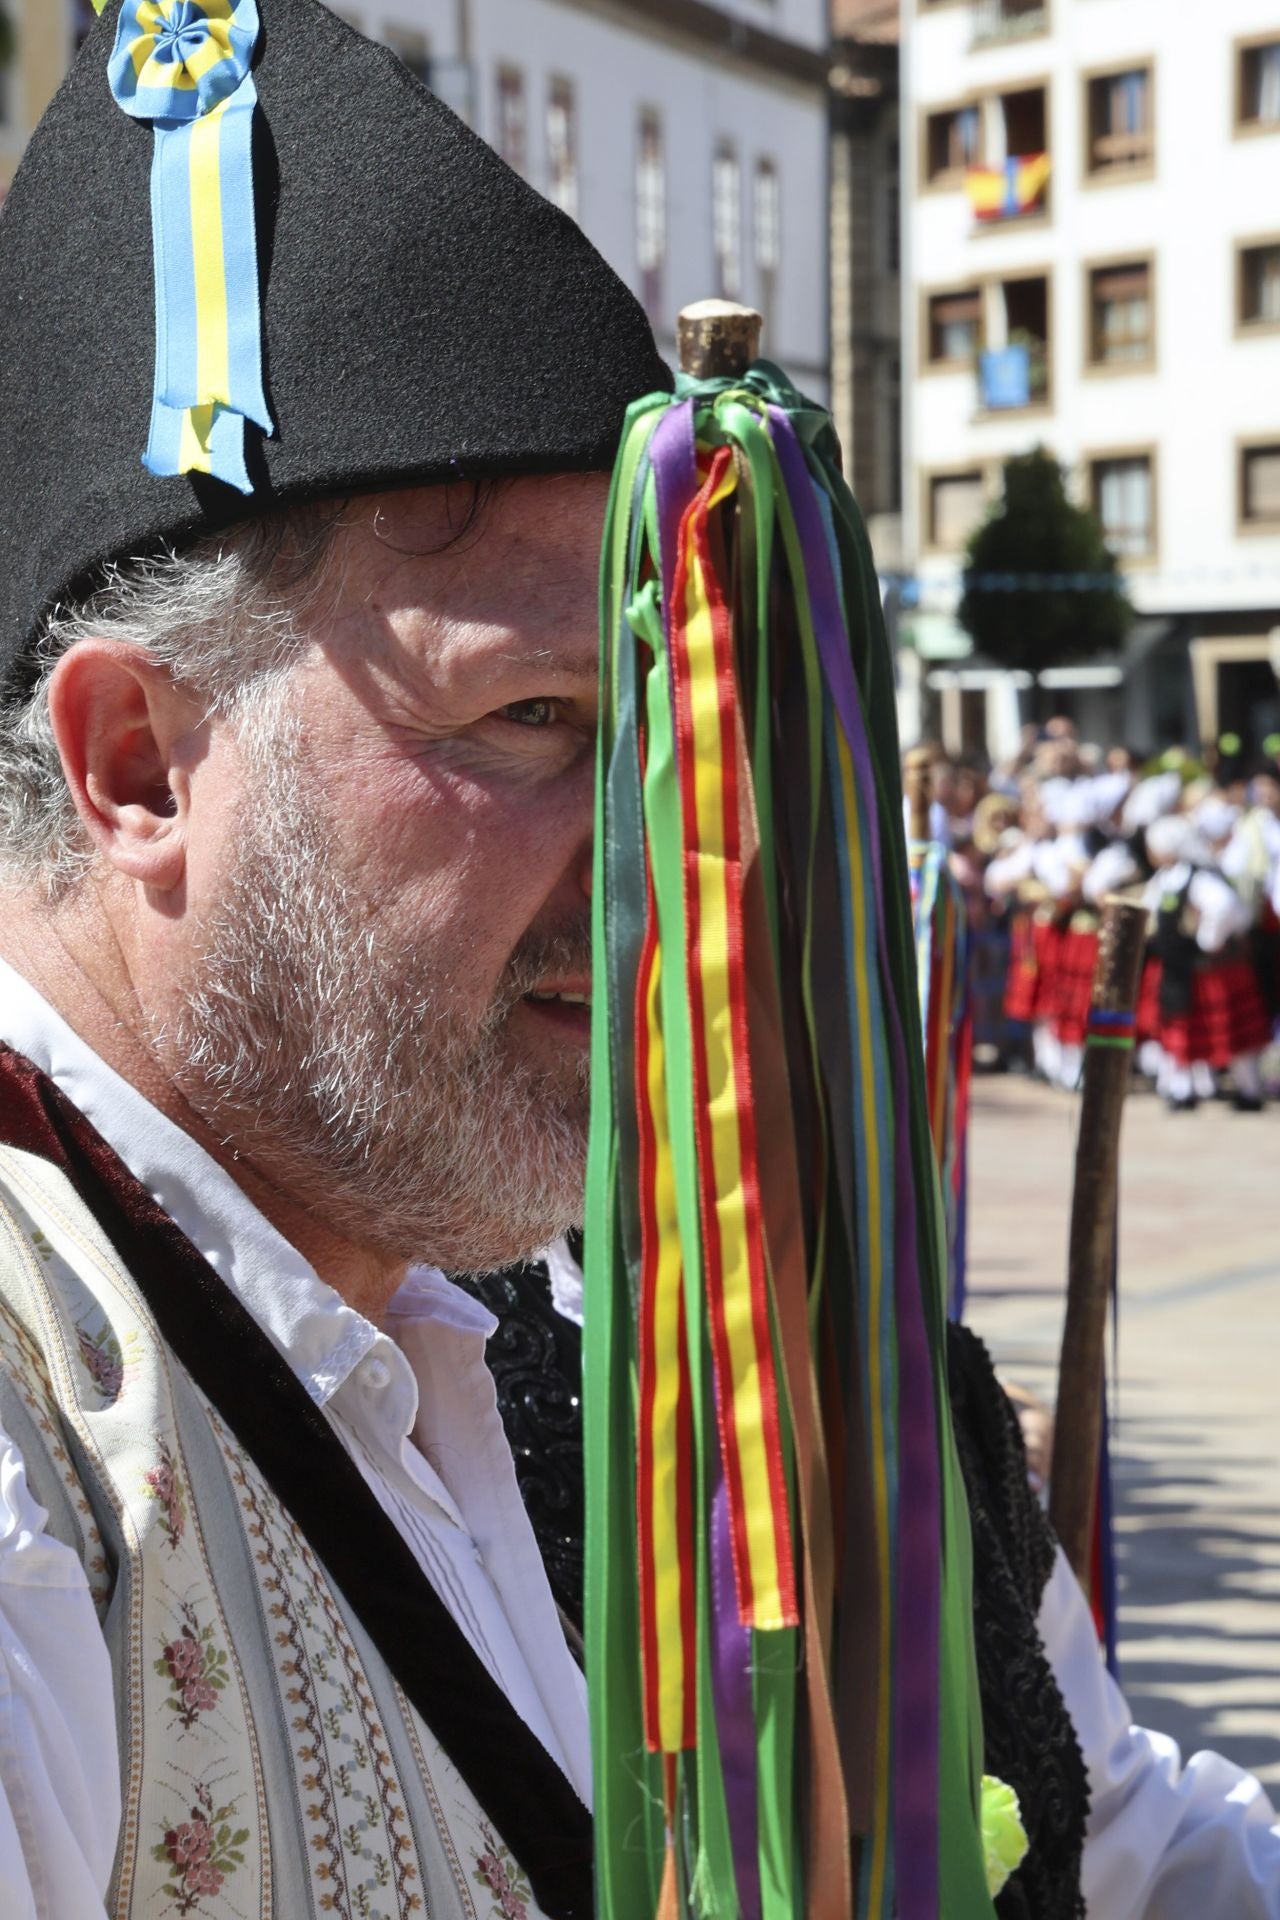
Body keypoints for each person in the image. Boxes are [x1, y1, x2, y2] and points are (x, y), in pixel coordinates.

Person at [0, 10, 1277, 1917]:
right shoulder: (38, 1449)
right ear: (133, 764)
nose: (666, 878)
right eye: (532, 717)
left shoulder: (522, 1334)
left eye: (684, 749)